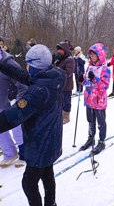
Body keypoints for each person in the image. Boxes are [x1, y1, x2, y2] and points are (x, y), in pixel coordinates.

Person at [0, 44, 66, 206]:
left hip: (40, 145)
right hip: (52, 139)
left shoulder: (37, 92)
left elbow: (12, 116)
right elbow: (24, 76)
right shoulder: (53, 77)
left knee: (28, 184)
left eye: (28, 63)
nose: (26, 67)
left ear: (36, 66)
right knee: (47, 174)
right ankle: (51, 203)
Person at [78, 43, 111, 154]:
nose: (91, 56)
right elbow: (87, 83)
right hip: (89, 100)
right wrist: (81, 80)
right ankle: (91, 138)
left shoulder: (105, 69)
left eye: (94, 54)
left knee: (101, 122)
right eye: (90, 54)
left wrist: (94, 79)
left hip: (99, 101)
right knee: (90, 121)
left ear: (100, 55)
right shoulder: (89, 67)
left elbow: (104, 87)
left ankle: (101, 141)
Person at [0, 46, 27, 168]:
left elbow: (22, 84)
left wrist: (17, 103)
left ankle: (24, 154)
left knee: (17, 129)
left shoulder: (9, 63)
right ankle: (9, 153)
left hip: (12, 101)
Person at [55, 41, 75, 124]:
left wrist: (57, 70)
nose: (59, 51)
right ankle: (60, 115)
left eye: (61, 50)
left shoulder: (70, 60)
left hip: (67, 86)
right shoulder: (60, 59)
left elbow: (68, 73)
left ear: (65, 50)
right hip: (59, 85)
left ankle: (66, 117)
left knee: (66, 101)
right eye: (58, 50)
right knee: (60, 101)